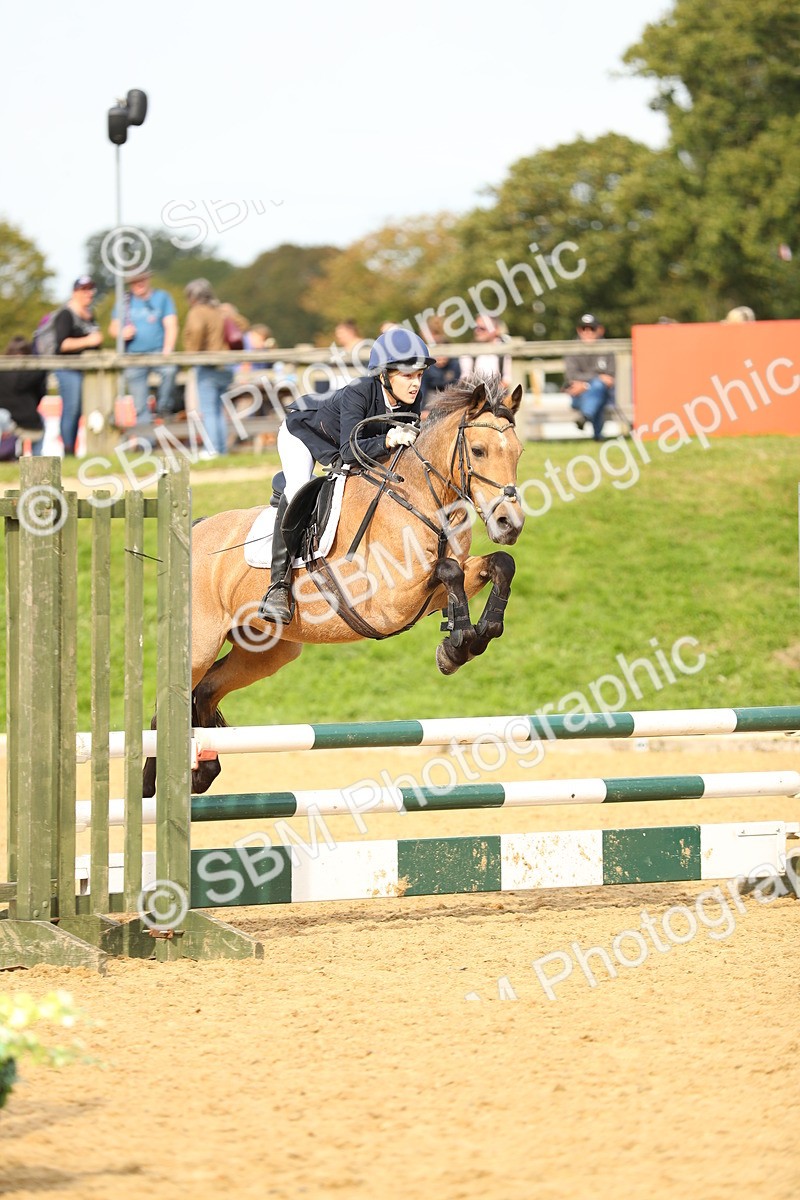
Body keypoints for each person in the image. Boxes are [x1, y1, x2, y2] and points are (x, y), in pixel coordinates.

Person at [258, 327, 435, 623]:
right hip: (303, 434)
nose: (415, 384)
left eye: (419, 375)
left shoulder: (410, 399)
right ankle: (278, 587)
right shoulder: (359, 392)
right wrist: (389, 439)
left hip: (347, 445)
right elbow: (351, 451)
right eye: (407, 376)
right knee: (299, 487)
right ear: (384, 375)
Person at [108, 269, 178, 421]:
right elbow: (113, 328)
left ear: (148, 279)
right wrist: (122, 332)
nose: (139, 283)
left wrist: (168, 349)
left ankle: (163, 407)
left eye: (142, 279)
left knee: (170, 371)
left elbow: (171, 325)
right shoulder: (124, 301)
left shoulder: (162, 297)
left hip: (158, 351)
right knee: (140, 405)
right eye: (135, 280)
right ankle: (146, 442)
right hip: (134, 355)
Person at [182, 278, 236, 455]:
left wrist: (192, 352)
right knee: (219, 410)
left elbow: (196, 330)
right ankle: (221, 449)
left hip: (209, 365)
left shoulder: (198, 311)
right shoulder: (221, 310)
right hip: (227, 365)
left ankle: (212, 449)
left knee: (209, 410)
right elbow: (242, 325)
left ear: (193, 296)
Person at [53, 276, 103, 455]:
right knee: (71, 409)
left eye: (91, 289)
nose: (89, 293)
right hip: (68, 369)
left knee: (82, 410)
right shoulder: (66, 314)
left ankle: (80, 449)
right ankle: (68, 450)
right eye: (84, 289)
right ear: (75, 292)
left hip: (85, 370)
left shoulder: (90, 314)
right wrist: (88, 340)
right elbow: (62, 344)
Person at [564, 313, 616, 441]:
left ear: (598, 330)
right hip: (579, 396)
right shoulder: (571, 349)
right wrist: (596, 379)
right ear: (578, 330)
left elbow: (610, 378)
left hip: (602, 394)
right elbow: (572, 376)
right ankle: (598, 435)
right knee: (598, 387)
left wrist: (585, 384)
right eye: (583, 328)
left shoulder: (607, 349)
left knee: (599, 389)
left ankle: (586, 416)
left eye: (591, 328)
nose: (587, 332)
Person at [0, 337, 47, 455]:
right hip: (29, 419)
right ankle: (37, 460)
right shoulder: (35, 373)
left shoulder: (3, 371)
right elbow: (41, 393)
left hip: (8, 418)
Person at [419, 315, 461, 407]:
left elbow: (455, 385)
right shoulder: (428, 365)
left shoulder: (454, 363)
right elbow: (423, 388)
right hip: (430, 399)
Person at [459, 314, 512, 386]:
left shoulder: (505, 349)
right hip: (475, 393)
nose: (477, 331)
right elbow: (465, 378)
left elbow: (507, 379)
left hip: (498, 393)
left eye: (482, 328)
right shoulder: (469, 350)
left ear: (496, 329)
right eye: (476, 328)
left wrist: (492, 393)